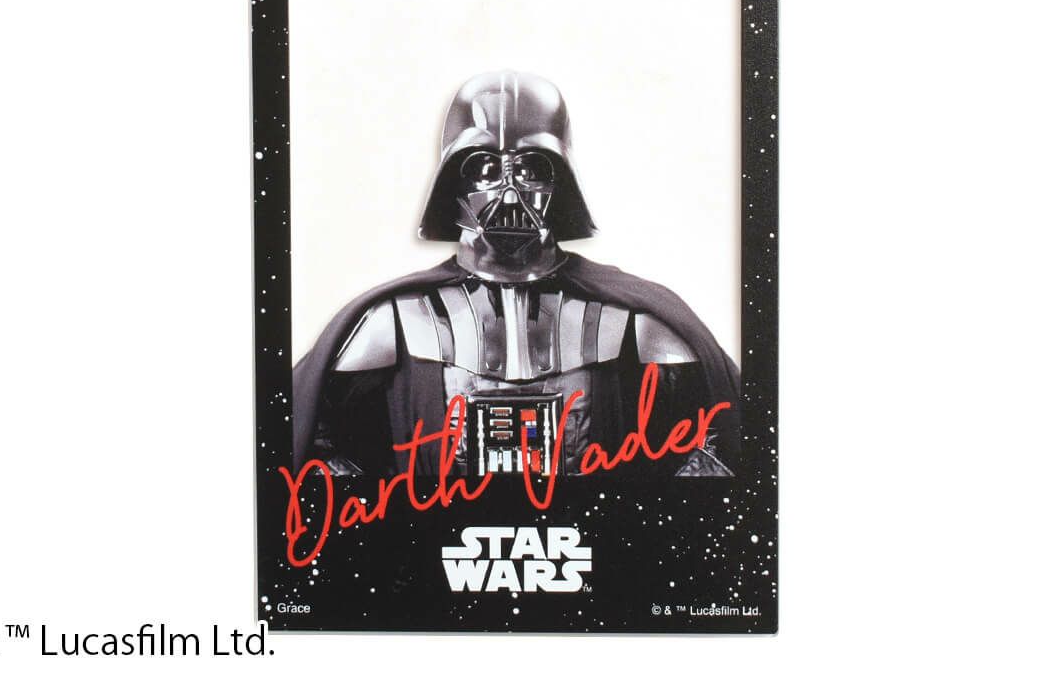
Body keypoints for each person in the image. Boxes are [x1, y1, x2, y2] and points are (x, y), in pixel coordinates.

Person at [292, 70, 740, 478]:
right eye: (484, 169)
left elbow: (719, 444)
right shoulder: (395, 320)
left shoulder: (635, 320)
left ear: (561, 179)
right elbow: (314, 449)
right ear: (452, 182)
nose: (509, 194)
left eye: (531, 169)